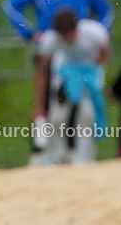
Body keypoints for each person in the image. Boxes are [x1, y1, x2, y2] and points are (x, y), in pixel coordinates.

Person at [32, 9, 110, 165]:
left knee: (87, 115)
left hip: (90, 71)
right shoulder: (50, 40)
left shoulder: (95, 32)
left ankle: (84, 157)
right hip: (63, 72)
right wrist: (39, 105)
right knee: (57, 117)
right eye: (63, 36)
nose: (67, 39)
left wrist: (95, 75)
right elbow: (42, 71)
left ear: (77, 28)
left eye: (70, 35)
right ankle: (54, 157)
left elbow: (104, 52)